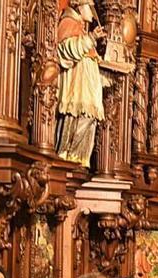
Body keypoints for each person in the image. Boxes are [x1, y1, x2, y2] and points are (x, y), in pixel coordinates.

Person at [55, 0, 107, 167]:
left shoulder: (82, 29)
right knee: (76, 124)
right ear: (80, 6)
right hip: (77, 94)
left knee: (88, 122)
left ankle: (79, 160)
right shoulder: (68, 23)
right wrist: (91, 38)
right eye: (89, 8)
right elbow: (66, 50)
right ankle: (69, 158)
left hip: (88, 96)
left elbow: (89, 62)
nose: (92, 14)